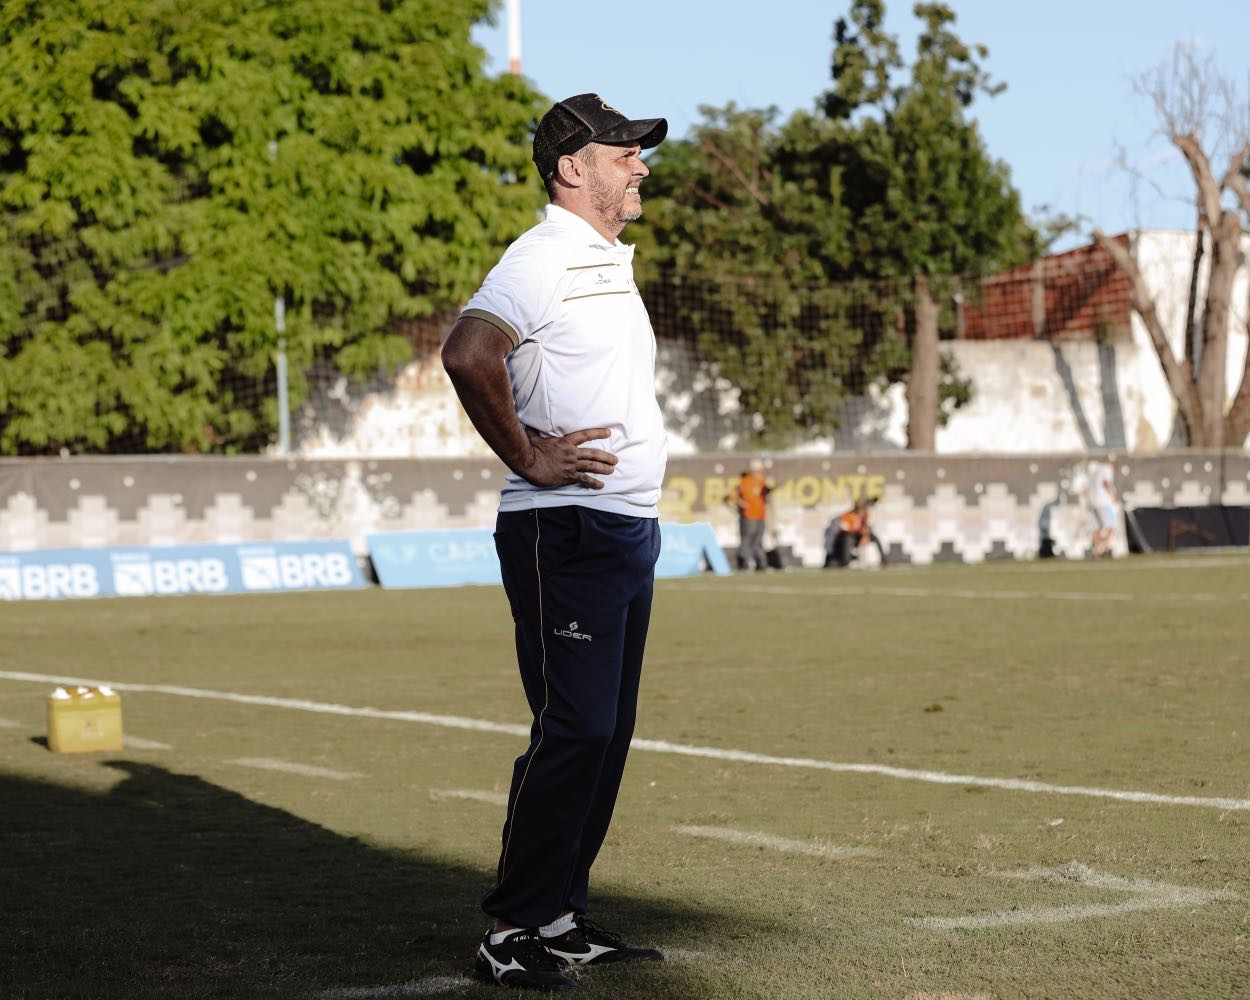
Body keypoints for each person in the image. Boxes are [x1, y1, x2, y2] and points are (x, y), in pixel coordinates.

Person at [440, 93, 668, 991]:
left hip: (623, 527)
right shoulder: (540, 258)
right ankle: (512, 929)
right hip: (562, 531)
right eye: (624, 154)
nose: (640, 166)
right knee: (574, 728)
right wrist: (529, 456)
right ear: (573, 169)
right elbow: (467, 352)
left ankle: (560, 919)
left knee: (606, 733)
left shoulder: (604, 258)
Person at [727, 459, 771, 571]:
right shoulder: (745, 481)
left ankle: (761, 564)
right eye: (756, 470)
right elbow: (732, 494)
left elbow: (766, 495)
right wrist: (740, 503)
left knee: (758, 541)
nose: (758, 473)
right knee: (747, 540)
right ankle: (745, 563)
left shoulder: (762, 481)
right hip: (749, 516)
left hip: (761, 515)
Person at [824, 497, 887, 568]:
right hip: (846, 537)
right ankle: (845, 562)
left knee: (875, 538)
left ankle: (884, 560)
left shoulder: (865, 515)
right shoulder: (847, 516)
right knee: (848, 539)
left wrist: (865, 536)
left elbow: (866, 527)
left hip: (858, 536)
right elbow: (845, 529)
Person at [1085, 457, 1119, 559]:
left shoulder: (1095, 470)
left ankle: (1096, 552)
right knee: (1111, 526)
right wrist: (1113, 496)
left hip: (1093, 502)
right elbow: (1106, 482)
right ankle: (1105, 548)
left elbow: (1087, 488)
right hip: (1103, 502)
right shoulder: (1107, 469)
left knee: (1098, 528)